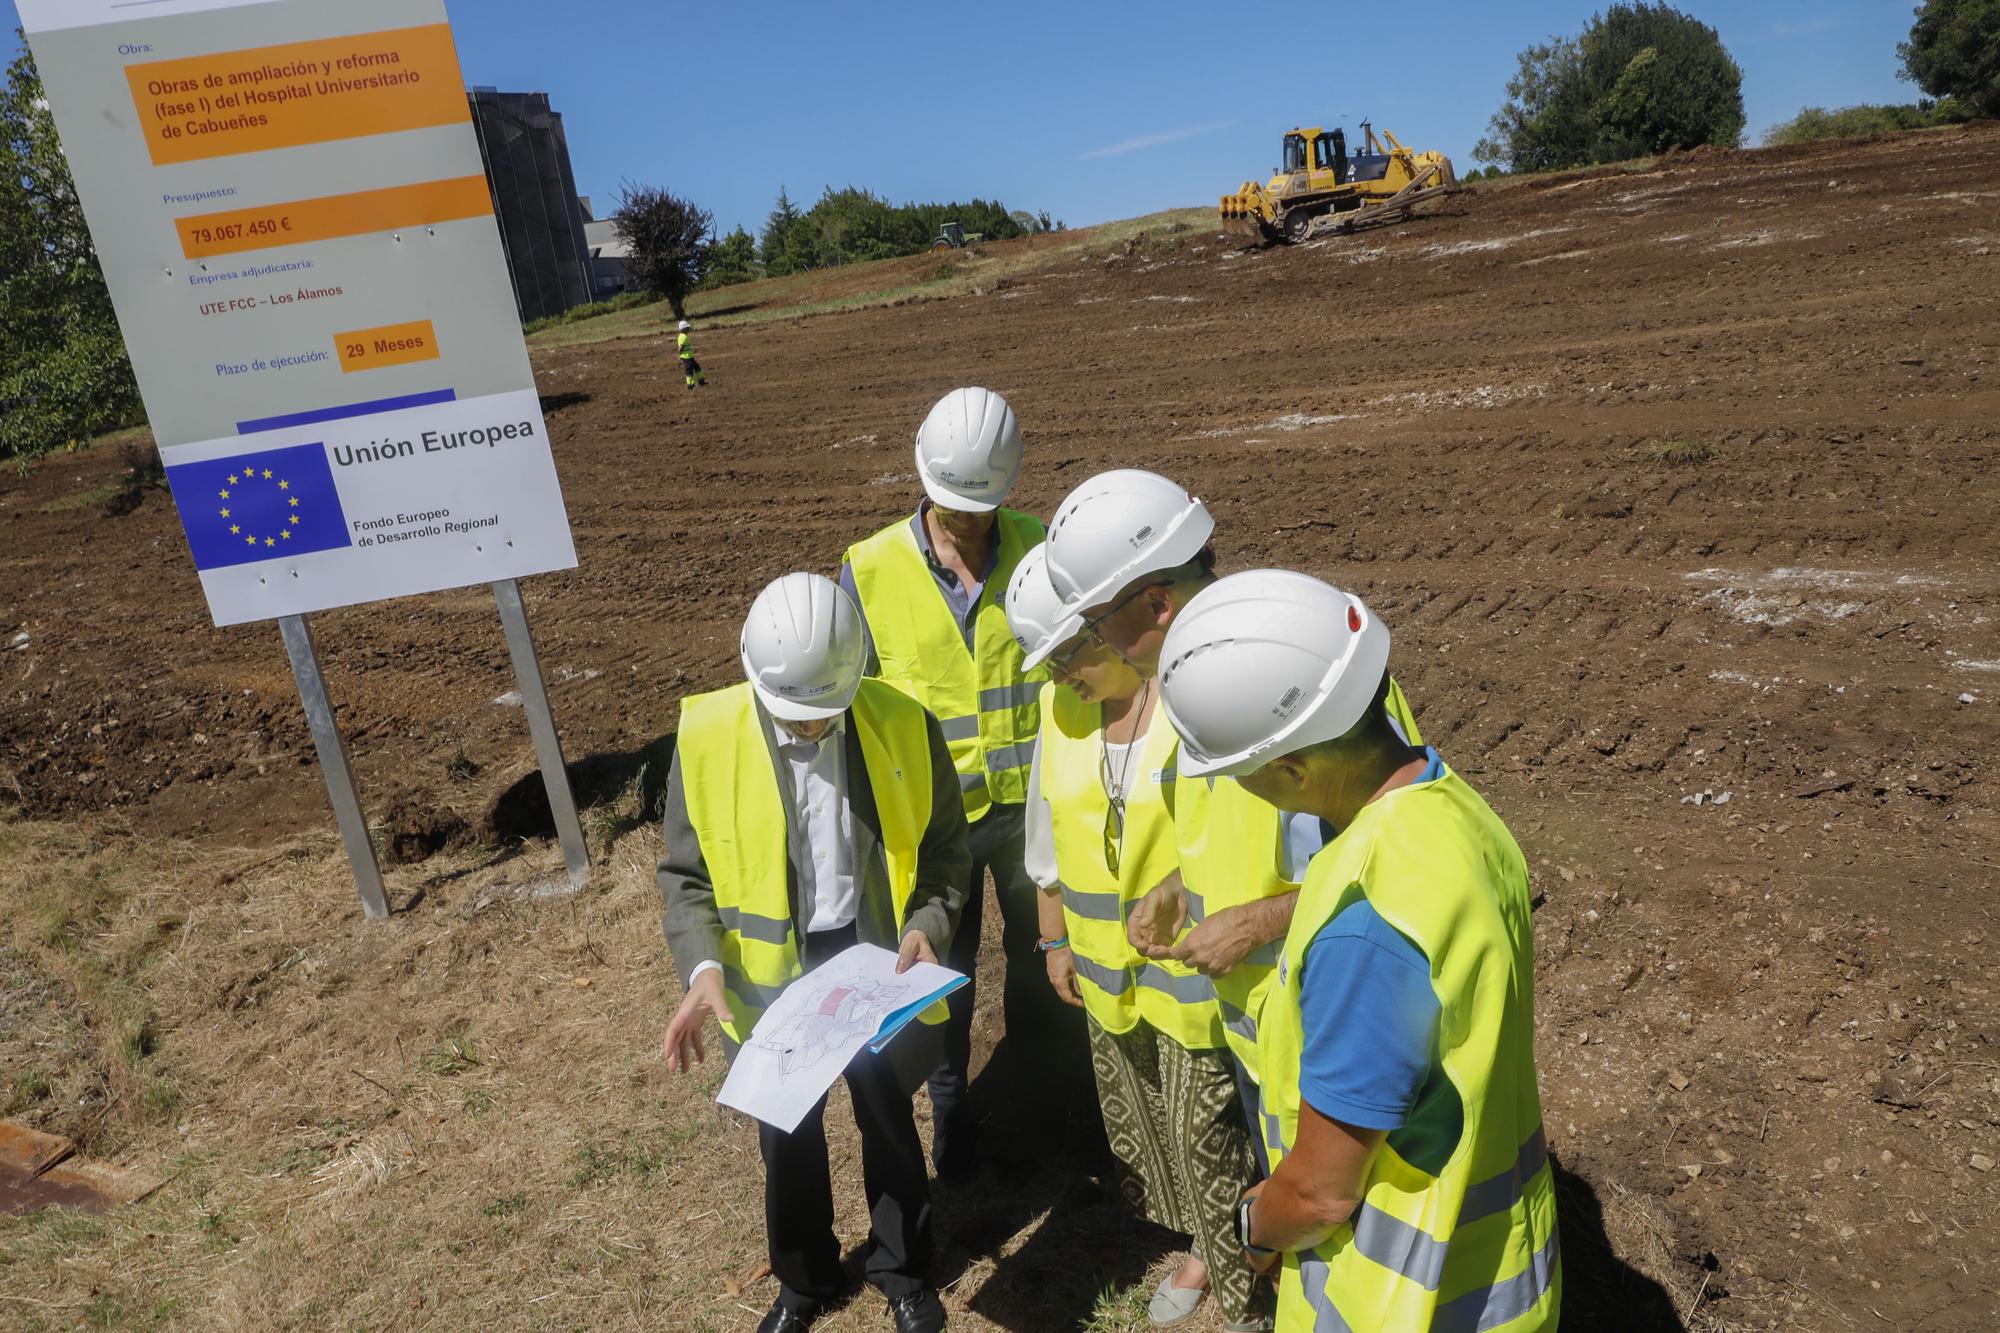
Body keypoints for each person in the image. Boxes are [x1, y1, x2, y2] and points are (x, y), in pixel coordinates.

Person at [1157, 570, 1558, 1333]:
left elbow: (1319, 1195)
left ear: (1295, 770)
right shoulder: (1452, 806)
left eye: (1239, 772)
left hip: (1406, 1305)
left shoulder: (1363, 923)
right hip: (1507, 1277)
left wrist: (1251, 1223)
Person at [1026, 469, 1421, 1164]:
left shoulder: (1290, 665)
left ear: (1154, 602)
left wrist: (1255, 922)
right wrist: (1182, 884)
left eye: (1096, 624)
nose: (1098, 646)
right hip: (1261, 1028)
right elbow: (1251, 831)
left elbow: (1406, 864)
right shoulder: (1188, 680)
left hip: (1339, 1033)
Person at [658, 572, 969, 1333]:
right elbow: (686, 876)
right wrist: (704, 970)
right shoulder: (705, 740)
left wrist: (927, 921)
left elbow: (943, 848)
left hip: (876, 956)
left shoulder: (903, 722)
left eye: (822, 716)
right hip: (774, 974)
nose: (808, 730)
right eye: (795, 718)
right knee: (784, 1131)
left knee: (889, 1113)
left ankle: (901, 1266)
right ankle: (803, 1279)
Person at [1006, 548, 1268, 1332]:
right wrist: (1053, 941)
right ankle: (1204, 1247)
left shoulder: (1192, 706)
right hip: (1107, 978)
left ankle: (1250, 1294)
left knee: (1207, 1136)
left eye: (1069, 658)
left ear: (1108, 633)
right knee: (1155, 1134)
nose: (1062, 681)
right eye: (1048, 668)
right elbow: (1046, 829)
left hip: (1197, 980)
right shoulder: (1064, 713)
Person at [839, 386, 1087, 1178]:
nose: (968, 520)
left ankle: (1048, 1102)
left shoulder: (1041, 546)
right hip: (933, 821)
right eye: (953, 504)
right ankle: (952, 1108)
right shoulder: (869, 570)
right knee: (940, 970)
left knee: (1042, 959)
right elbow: (852, 704)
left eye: (982, 505)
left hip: (1027, 807)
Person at [677, 318, 706, 389]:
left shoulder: (684, 336)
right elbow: (681, 347)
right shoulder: (683, 337)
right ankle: (690, 385)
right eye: (687, 328)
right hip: (686, 357)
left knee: (696, 367)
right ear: (683, 329)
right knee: (689, 370)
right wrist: (680, 356)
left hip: (689, 356)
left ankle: (701, 381)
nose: (688, 328)